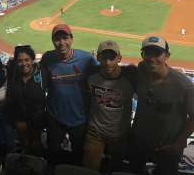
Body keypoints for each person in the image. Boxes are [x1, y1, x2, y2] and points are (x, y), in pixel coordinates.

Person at [129, 36, 194, 175]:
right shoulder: (140, 70)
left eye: (157, 53)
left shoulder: (183, 85)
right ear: (142, 55)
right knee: (134, 170)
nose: (151, 58)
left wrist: (180, 142)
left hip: (168, 147)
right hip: (139, 141)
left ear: (167, 56)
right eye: (147, 53)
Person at [40, 24, 97, 165]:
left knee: (78, 153)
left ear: (71, 39)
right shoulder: (48, 58)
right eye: (57, 39)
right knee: (53, 151)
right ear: (53, 41)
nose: (61, 43)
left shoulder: (87, 59)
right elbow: (40, 79)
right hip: (55, 117)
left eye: (65, 38)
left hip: (79, 117)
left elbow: (102, 74)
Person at [82, 40, 136, 172]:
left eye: (112, 58)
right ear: (97, 58)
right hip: (95, 132)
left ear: (119, 58)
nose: (107, 63)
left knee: (116, 169)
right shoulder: (90, 75)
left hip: (120, 134)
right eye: (103, 58)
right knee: (88, 169)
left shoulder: (131, 76)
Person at [7, 45, 46, 155]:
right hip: (19, 117)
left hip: (37, 118)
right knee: (25, 143)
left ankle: (38, 162)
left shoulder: (43, 72)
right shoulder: (12, 73)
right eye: (20, 61)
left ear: (33, 59)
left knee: (36, 143)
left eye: (27, 60)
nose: (24, 64)